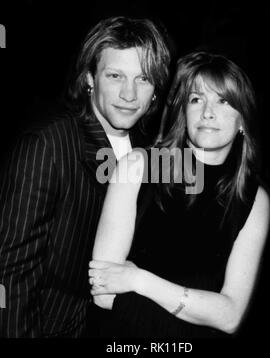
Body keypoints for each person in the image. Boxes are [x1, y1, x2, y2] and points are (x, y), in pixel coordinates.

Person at [0, 16, 171, 338]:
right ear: (90, 78)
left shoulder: (151, 153)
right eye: (115, 76)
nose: (129, 94)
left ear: (156, 91)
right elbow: (10, 273)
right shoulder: (48, 144)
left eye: (144, 79)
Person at [89, 50, 270, 338]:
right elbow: (103, 292)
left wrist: (139, 280)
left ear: (242, 121)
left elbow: (230, 317)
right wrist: (200, 309)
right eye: (196, 99)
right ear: (183, 112)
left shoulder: (253, 198)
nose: (207, 112)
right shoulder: (139, 166)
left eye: (223, 101)